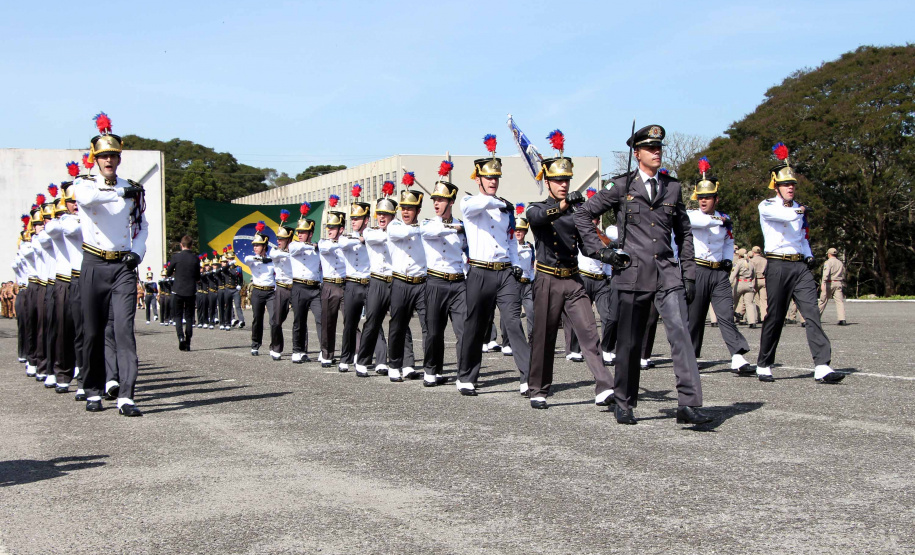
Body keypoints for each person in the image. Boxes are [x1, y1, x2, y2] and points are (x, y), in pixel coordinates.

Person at [575, 124, 711, 426]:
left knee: (681, 336)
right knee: (630, 342)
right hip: (632, 273)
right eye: (650, 148)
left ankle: (688, 404)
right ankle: (623, 401)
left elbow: (684, 232)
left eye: (659, 147)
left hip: (666, 273)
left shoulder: (673, 187)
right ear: (637, 154)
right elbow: (582, 215)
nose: (657, 152)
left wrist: (688, 272)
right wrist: (601, 252)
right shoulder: (621, 186)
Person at [526, 132, 615, 409]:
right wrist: (565, 206)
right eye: (558, 181)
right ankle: (538, 389)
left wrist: (608, 254)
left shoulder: (578, 212)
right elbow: (537, 219)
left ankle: (604, 386)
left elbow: (588, 245)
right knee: (544, 337)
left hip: (574, 280)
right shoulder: (537, 208)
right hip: (547, 280)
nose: (564, 185)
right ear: (547, 182)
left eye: (566, 180)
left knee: (589, 333)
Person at [71, 112, 148, 416]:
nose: (108, 161)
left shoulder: (133, 189)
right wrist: (118, 191)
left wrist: (137, 251)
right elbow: (89, 200)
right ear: (95, 158)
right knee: (92, 331)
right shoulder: (84, 184)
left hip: (122, 267)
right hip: (93, 263)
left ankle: (126, 395)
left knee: (124, 331)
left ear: (119, 158)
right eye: (103, 156)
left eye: (113, 156)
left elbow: (142, 225)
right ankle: (92, 389)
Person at [755, 143, 843, 384]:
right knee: (775, 316)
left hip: (799, 267)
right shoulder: (767, 206)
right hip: (776, 265)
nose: (791, 188)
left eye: (793, 184)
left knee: (812, 313)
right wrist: (800, 211)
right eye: (786, 184)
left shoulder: (799, 209)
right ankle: (764, 363)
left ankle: (822, 365)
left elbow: (802, 237)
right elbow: (782, 216)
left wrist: (809, 254)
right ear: (776, 186)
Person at [455, 135, 530, 396]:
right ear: (478, 179)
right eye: (488, 178)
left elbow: (510, 239)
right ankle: (466, 376)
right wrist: (500, 201)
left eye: (496, 178)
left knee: (513, 323)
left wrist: (517, 264)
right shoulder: (470, 203)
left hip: (504, 273)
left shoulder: (504, 208)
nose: (493, 182)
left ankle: (528, 377)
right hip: (479, 272)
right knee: (475, 325)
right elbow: (482, 202)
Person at [684, 161, 753, 373]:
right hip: (698, 270)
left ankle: (737, 355)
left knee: (726, 314)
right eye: (700, 197)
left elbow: (729, 241)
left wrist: (727, 260)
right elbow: (703, 223)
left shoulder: (725, 219)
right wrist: (720, 220)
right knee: (694, 318)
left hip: (718, 272)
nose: (703, 201)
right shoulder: (692, 215)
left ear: (716, 199)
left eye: (707, 197)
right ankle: (690, 357)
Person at [420, 174, 467, 386]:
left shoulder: (463, 225)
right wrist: (457, 228)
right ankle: (432, 370)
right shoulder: (428, 223)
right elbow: (434, 232)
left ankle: (464, 374)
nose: (436, 203)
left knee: (465, 330)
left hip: (458, 283)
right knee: (434, 331)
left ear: (451, 202)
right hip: (435, 282)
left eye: (440, 200)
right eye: (434, 200)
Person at [386, 185, 429, 382]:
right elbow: (402, 234)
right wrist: (424, 228)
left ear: (418, 210)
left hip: (422, 283)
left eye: (410, 208)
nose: (405, 211)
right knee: (398, 326)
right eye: (403, 208)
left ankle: (430, 368)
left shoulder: (426, 228)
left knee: (429, 326)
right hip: (400, 282)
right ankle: (395, 365)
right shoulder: (394, 226)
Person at [355, 191, 399, 378]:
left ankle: (404, 363)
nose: (381, 217)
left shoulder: (399, 230)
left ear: (392, 216)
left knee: (399, 323)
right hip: (377, 281)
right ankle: (363, 361)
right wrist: (398, 231)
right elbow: (380, 238)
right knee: (372, 322)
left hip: (395, 281)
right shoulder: (370, 232)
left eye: (386, 214)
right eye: (379, 214)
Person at [338, 197, 372, 373]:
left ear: (366, 220)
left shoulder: (372, 233)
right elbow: (342, 243)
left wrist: (366, 237)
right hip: (352, 284)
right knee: (349, 323)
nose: (354, 221)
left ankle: (373, 358)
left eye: (357, 219)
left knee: (373, 322)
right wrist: (360, 239)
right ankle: (346, 357)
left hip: (371, 283)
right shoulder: (346, 237)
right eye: (352, 219)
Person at [287, 204, 322, 364]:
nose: (300, 234)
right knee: (299, 320)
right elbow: (294, 249)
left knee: (321, 318)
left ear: (311, 233)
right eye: (299, 232)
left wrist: (317, 246)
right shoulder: (295, 245)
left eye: (303, 232)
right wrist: (313, 245)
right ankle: (298, 350)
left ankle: (324, 350)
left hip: (315, 288)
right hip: (299, 287)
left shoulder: (318, 248)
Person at [500, 213, 534, 356]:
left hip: (527, 285)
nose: (518, 232)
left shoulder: (530, 246)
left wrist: (533, 280)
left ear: (526, 232)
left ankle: (533, 343)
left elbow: (532, 265)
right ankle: (507, 343)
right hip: (513, 283)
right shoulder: (508, 246)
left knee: (532, 312)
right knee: (509, 314)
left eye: (521, 230)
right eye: (516, 230)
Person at [318, 209, 347, 367]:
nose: (329, 230)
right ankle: (327, 354)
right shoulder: (324, 242)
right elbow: (325, 249)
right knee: (328, 322)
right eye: (328, 227)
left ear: (341, 229)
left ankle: (353, 353)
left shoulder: (346, 242)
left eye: (333, 228)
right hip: (329, 285)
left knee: (350, 321)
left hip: (344, 284)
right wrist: (340, 243)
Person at [244, 222, 275, 356]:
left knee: (274, 319)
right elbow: (247, 258)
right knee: (257, 319)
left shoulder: (272, 259)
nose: (255, 247)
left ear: (264, 246)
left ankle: (274, 346)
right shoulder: (252, 259)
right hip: (257, 291)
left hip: (271, 292)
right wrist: (261, 260)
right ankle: (255, 344)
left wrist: (269, 259)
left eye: (258, 245)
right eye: (254, 245)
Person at [268, 211, 295, 360]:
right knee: (276, 320)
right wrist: (290, 252)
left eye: (282, 239)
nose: (278, 241)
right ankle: (276, 347)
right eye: (278, 238)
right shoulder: (275, 251)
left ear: (289, 239)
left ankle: (300, 350)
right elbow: (276, 255)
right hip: (282, 288)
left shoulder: (296, 248)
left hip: (296, 287)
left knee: (300, 320)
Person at [167, 235, 201, 351]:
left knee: (177, 316)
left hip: (178, 290)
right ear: (191, 246)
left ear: (181, 245)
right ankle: (188, 342)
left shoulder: (176, 257)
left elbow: (168, 271)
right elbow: (198, 276)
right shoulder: (196, 258)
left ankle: (181, 337)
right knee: (189, 317)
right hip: (190, 290)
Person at [819, 248, 847, 325]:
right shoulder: (840, 263)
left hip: (829, 283)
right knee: (839, 302)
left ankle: (816, 317)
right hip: (838, 283)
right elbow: (843, 273)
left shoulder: (828, 262)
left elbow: (826, 273)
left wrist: (823, 283)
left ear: (829, 254)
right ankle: (842, 319)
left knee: (822, 301)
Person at [750, 246, 768, 321]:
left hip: (755, 280)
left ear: (753, 252)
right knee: (764, 300)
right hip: (764, 280)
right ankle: (764, 317)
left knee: (750, 300)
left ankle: (747, 317)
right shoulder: (765, 260)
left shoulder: (752, 261)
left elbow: (751, 272)